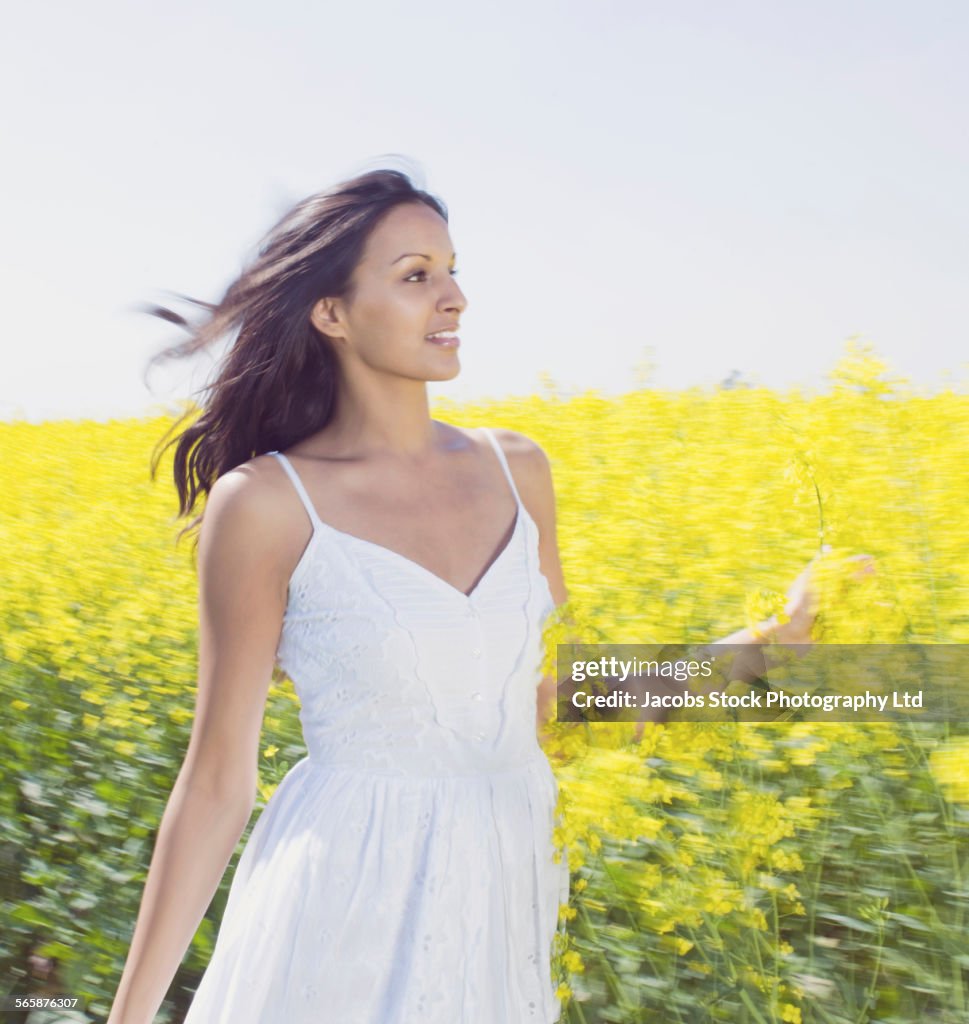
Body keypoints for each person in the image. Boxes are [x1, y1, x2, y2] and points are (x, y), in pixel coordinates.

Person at [105, 166, 865, 1024]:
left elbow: (541, 706)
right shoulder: (268, 503)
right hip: (343, 891)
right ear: (332, 314)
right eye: (416, 275)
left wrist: (762, 645)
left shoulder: (518, 469)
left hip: (501, 897)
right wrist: (129, 1018)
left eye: (453, 269)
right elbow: (215, 784)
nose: (455, 297)